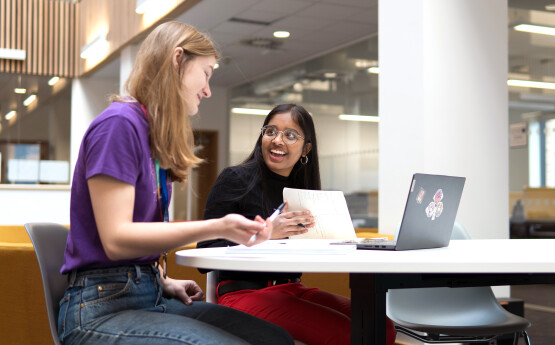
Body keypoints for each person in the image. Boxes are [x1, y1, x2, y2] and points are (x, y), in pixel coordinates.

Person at [58, 22, 294, 345]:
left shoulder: (150, 136)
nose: (208, 89)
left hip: (147, 295)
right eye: (207, 73)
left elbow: (131, 247)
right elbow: (116, 239)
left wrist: (161, 280)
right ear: (178, 59)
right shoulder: (118, 125)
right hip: (99, 309)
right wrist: (218, 227)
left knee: (273, 338)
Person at [198, 103, 397, 345]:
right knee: (349, 335)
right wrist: (267, 234)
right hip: (244, 292)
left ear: (306, 149)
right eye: (270, 131)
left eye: (290, 135)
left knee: (382, 328)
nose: (277, 140)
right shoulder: (234, 179)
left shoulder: (303, 191)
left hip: (292, 289)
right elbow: (206, 248)